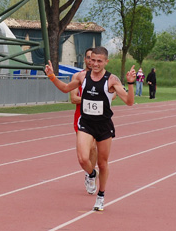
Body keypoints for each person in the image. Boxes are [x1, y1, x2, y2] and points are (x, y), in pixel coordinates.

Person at [44, 46, 136, 211]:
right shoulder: (82, 76)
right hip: (86, 123)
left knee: (102, 163)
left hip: (104, 125)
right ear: (89, 60)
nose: (95, 64)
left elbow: (129, 102)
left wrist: (130, 83)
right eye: (92, 60)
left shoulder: (112, 80)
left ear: (106, 62)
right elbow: (66, 88)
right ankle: (91, 174)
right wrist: (51, 76)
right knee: (83, 159)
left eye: (99, 61)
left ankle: (101, 195)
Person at [70, 48, 98, 194]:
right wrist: (91, 99)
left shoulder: (102, 78)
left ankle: (90, 175)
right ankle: (90, 170)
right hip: (80, 117)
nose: (90, 61)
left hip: (97, 117)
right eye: (88, 58)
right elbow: (73, 98)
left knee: (93, 147)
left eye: (93, 58)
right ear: (85, 59)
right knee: (83, 154)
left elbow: (112, 95)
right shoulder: (77, 76)